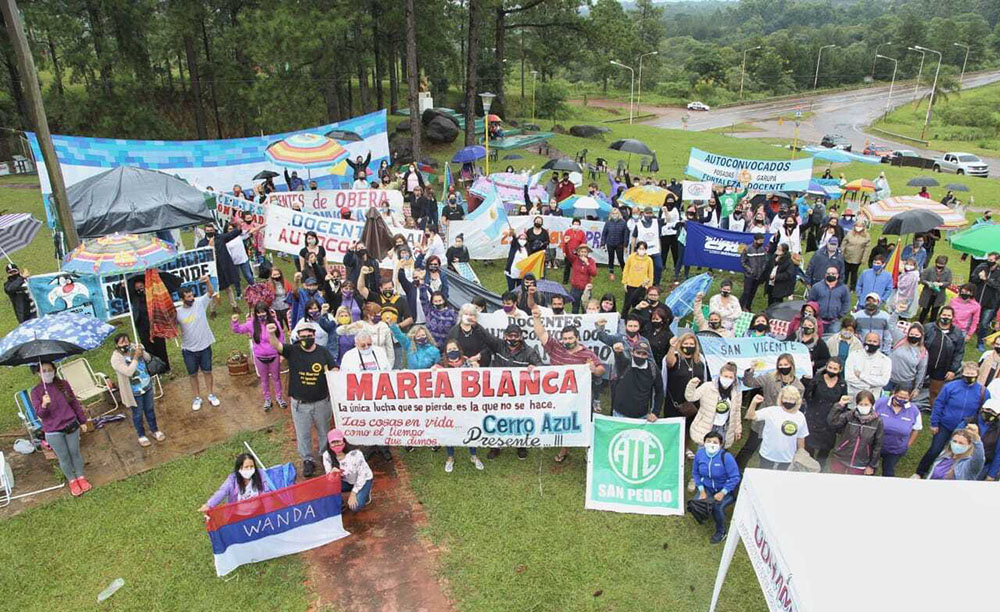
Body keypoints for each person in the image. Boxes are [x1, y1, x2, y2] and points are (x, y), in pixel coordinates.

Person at [531, 306, 605, 462]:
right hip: (558, 397)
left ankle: (588, 449)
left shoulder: (588, 354)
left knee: (585, 423)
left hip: (580, 399)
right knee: (563, 423)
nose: (567, 341)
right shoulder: (555, 347)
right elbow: (541, 333)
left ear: (577, 337)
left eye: (570, 338)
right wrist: (536, 318)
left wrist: (593, 369)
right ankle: (564, 449)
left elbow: (601, 370)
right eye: (565, 339)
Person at [267, 321, 337, 477]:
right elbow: (276, 345)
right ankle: (307, 460)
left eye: (309, 335)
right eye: (303, 336)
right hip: (300, 404)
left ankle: (325, 455)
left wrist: (335, 374)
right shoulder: (293, 351)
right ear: (298, 337)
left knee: (324, 431)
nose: (306, 338)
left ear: (314, 336)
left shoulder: (323, 352)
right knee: (303, 434)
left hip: (321, 402)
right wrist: (271, 333)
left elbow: (334, 367)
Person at [915, 361, 989, 478]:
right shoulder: (950, 387)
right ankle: (920, 472)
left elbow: (982, 412)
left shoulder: (983, 392)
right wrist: (934, 423)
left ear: (977, 374)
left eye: (972, 374)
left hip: (964, 428)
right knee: (935, 450)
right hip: (945, 425)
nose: (969, 376)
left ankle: (950, 475)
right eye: (967, 373)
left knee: (958, 454)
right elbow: (939, 404)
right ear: (963, 373)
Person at [735, 354, 805, 470]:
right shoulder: (770, 377)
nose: (783, 367)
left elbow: (796, 407)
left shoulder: (799, 386)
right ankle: (736, 470)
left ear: (791, 366)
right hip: (763, 420)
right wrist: (751, 370)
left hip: (781, 426)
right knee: (749, 447)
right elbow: (750, 383)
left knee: (774, 453)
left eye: (786, 365)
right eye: (780, 365)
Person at [30, 361, 90, 496]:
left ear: (54, 370)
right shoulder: (36, 392)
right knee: (63, 457)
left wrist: (82, 421)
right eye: (43, 371)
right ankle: (72, 480)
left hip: (71, 425)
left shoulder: (63, 384)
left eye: (49, 370)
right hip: (53, 431)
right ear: (38, 373)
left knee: (75, 452)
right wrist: (44, 404)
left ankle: (81, 477)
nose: (47, 373)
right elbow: (40, 414)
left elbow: (74, 402)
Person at [434, 340, 486, 472]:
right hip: (450, 404)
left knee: (470, 427)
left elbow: (478, 378)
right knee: (450, 429)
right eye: (449, 349)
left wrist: (476, 368)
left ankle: (473, 455)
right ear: (446, 352)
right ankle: (450, 457)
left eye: (454, 348)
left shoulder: (467, 362)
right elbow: (430, 377)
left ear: (459, 349)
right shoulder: (441, 364)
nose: (452, 351)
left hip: (466, 404)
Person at [110, 333, 165, 448]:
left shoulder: (134, 347)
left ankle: (154, 430)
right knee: (138, 413)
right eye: (122, 342)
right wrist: (135, 357)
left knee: (150, 410)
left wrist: (142, 351)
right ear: (116, 345)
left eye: (126, 341)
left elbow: (148, 358)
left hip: (146, 385)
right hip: (133, 391)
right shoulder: (116, 358)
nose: (125, 344)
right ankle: (141, 435)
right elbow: (128, 372)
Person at [232, 304, 286, 411]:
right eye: (259, 313)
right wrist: (235, 322)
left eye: (264, 312)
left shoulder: (275, 323)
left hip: (274, 356)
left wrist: (282, 354)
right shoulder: (251, 324)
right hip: (260, 357)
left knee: (276, 378)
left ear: (268, 312)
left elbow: (281, 338)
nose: (262, 315)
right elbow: (238, 330)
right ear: (256, 314)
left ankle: (279, 398)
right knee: (264, 379)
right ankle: (267, 399)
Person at [176, 278, 219, 411]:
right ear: (182, 299)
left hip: (205, 346)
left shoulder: (200, 303)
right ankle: (197, 397)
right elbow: (169, 325)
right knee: (193, 375)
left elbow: (210, 293)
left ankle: (211, 394)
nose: (192, 298)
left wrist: (207, 282)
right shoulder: (177, 312)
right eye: (188, 297)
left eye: (192, 295)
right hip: (188, 349)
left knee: (207, 371)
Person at [691, 431, 741, 544]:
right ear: (704, 443)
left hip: (726, 489)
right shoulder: (700, 454)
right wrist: (701, 490)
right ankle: (705, 515)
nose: (711, 444)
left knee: (717, 508)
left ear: (720, 444)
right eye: (708, 441)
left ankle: (721, 531)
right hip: (707, 488)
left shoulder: (726, 457)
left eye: (715, 442)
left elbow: (735, 477)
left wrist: (723, 492)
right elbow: (695, 473)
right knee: (696, 503)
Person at [746, 386, 809, 470]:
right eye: (786, 398)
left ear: (797, 400)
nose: (788, 401)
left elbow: (801, 437)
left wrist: (801, 453)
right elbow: (751, 416)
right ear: (781, 399)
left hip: (787, 458)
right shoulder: (772, 411)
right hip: (768, 455)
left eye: (791, 399)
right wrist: (753, 403)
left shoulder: (800, 416)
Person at [686, 362, 742, 452]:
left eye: (730, 377)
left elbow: (737, 411)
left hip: (723, 428)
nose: (727, 379)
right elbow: (690, 397)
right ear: (720, 375)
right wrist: (691, 385)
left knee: (718, 455)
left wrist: (737, 428)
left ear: (734, 378)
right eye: (725, 376)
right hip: (706, 426)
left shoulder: (736, 392)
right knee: (703, 454)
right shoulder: (707, 386)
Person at [804, 357, 847, 466]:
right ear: (826, 366)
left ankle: (820, 469)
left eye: (835, 369)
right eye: (830, 367)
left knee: (825, 450)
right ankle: (809, 467)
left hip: (830, 421)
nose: (832, 370)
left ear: (840, 370)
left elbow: (843, 402)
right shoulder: (817, 380)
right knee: (809, 447)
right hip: (814, 418)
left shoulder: (842, 384)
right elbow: (808, 397)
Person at [827, 390, 883, 475]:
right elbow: (833, 422)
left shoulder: (878, 421)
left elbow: (878, 445)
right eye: (861, 404)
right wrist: (840, 405)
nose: (863, 407)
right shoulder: (849, 415)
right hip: (841, 457)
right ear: (857, 404)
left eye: (866, 404)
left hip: (861, 462)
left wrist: (872, 465)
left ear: (872, 405)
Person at [199, 453, 271, 515]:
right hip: (239, 516)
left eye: (251, 466)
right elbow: (222, 491)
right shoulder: (232, 480)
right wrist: (209, 505)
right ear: (240, 468)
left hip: (259, 513)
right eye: (246, 467)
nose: (249, 469)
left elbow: (269, 488)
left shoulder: (261, 474)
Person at [874, 385, 922, 477]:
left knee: (888, 472)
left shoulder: (914, 411)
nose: (902, 399)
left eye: (905, 398)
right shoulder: (880, 403)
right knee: (869, 470)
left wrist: (907, 445)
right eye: (900, 397)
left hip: (896, 448)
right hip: (875, 445)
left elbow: (916, 429)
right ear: (894, 393)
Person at [321, 429, 374, 511]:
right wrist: (332, 475)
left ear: (343, 441)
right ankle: (340, 503)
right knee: (327, 487)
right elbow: (328, 478)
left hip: (363, 480)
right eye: (333, 442)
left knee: (355, 507)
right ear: (329, 444)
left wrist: (353, 493)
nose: (336, 445)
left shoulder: (356, 454)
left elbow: (362, 475)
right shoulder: (326, 455)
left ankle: (366, 493)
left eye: (338, 441)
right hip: (346, 481)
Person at [923, 306, 966, 406]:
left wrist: (953, 370)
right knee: (912, 386)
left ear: (952, 317)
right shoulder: (928, 328)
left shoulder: (957, 333)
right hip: (925, 364)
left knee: (935, 392)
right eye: (944, 314)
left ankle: (934, 411)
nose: (946, 317)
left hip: (942, 368)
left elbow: (959, 353)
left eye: (948, 315)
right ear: (939, 315)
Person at [610, 340, 661, 420]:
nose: (640, 356)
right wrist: (618, 352)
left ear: (648, 355)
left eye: (644, 354)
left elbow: (659, 391)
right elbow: (619, 358)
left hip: (642, 416)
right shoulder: (625, 364)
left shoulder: (653, 369)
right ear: (632, 352)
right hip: (620, 414)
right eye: (638, 353)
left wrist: (655, 412)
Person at [664, 333, 709, 423]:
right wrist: (672, 347)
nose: (689, 346)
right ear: (681, 345)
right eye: (686, 344)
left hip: (694, 404)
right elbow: (669, 362)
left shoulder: (700, 360)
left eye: (691, 344)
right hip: (676, 402)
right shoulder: (676, 358)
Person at [845, 331, 891, 400]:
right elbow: (849, 377)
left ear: (879, 344)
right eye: (869, 341)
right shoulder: (853, 356)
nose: (871, 343)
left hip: (874, 398)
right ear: (864, 342)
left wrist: (861, 376)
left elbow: (883, 381)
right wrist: (868, 386)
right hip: (854, 397)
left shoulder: (885, 360)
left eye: (875, 341)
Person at [809, 266, 850, 334]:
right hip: (818, 319)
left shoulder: (843, 288)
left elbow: (846, 303)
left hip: (835, 321)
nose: (830, 275)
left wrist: (840, 315)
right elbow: (811, 301)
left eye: (833, 274)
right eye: (828, 273)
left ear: (837, 275)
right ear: (825, 275)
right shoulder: (817, 287)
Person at [971, 252, 1000, 351]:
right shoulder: (982, 266)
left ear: (997, 261)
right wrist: (978, 277)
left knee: (984, 324)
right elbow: (973, 278)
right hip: (977, 299)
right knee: (970, 319)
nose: (989, 262)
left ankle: (980, 342)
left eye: (991, 260)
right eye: (988, 259)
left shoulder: (999, 271)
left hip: (990, 302)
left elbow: (997, 285)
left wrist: (986, 279)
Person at [889, 323, 927, 393]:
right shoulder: (900, 339)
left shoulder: (923, 352)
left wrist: (917, 388)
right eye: (911, 334)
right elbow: (891, 325)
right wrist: (897, 312)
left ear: (921, 336)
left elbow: (921, 371)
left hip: (905, 384)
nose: (914, 337)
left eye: (916, 335)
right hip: (889, 380)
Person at [631, 207, 663, 285]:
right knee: (645, 269)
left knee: (659, 267)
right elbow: (634, 237)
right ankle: (645, 284)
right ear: (643, 214)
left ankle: (656, 283)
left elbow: (667, 222)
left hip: (655, 250)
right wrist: (632, 250)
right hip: (644, 251)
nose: (649, 215)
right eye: (647, 213)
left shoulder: (656, 222)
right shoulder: (638, 224)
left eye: (650, 213)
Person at [621, 240, 653, 316]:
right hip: (631, 284)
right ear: (637, 249)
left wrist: (649, 287)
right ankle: (623, 319)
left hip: (642, 286)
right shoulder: (631, 257)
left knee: (639, 305)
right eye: (640, 248)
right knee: (627, 304)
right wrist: (625, 282)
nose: (641, 250)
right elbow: (626, 270)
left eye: (643, 249)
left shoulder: (649, 260)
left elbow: (651, 274)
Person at [917, 255, 953, 323]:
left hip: (939, 294)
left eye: (942, 264)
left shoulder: (948, 271)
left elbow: (949, 282)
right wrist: (929, 283)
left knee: (935, 312)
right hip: (928, 293)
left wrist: (941, 284)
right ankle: (920, 322)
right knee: (925, 310)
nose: (939, 266)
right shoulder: (929, 270)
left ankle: (932, 324)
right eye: (938, 264)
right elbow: (922, 279)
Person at [739, 232, 768, 310]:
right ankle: (740, 306)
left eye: (762, 241)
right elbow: (743, 262)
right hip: (749, 275)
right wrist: (750, 270)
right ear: (755, 240)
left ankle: (748, 307)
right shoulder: (747, 249)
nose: (761, 242)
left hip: (758, 275)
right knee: (746, 292)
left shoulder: (763, 249)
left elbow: (765, 261)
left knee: (753, 293)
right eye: (760, 241)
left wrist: (762, 270)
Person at [566, 244, 598, 313]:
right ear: (578, 252)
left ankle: (585, 322)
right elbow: (568, 254)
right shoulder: (574, 259)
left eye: (585, 252)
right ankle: (575, 322)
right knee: (575, 307)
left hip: (586, 289)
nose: (583, 253)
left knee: (585, 307)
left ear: (588, 253)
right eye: (582, 251)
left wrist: (587, 263)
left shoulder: (591, 261)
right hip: (575, 288)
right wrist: (566, 244)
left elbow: (594, 273)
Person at [841, 219, 871, 290]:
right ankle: (843, 284)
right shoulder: (850, 233)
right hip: (847, 256)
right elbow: (844, 243)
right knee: (845, 271)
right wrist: (842, 252)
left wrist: (864, 259)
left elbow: (867, 249)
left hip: (857, 257)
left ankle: (852, 287)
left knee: (854, 273)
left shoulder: (866, 236)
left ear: (863, 227)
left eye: (860, 226)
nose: (858, 227)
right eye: (857, 226)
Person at [603, 208, 628, 280]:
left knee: (621, 259)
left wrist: (625, 244)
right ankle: (611, 273)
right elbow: (604, 233)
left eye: (616, 213)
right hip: (610, 243)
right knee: (611, 258)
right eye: (613, 213)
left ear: (619, 214)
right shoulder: (608, 222)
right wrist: (603, 243)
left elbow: (625, 235)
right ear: (611, 214)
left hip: (619, 244)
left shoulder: (623, 222)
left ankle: (625, 272)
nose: (614, 215)